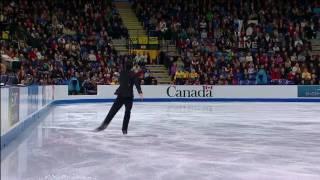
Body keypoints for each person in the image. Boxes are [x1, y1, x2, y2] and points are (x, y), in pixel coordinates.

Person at [95, 61, 143, 134]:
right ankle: (124, 129)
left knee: (112, 111)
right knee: (127, 113)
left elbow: (120, 81)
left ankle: (103, 126)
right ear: (131, 67)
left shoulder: (122, 73)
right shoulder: (133, 74)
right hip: (129, 96)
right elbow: (136, 83)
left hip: (120, 94)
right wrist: (140, 92)